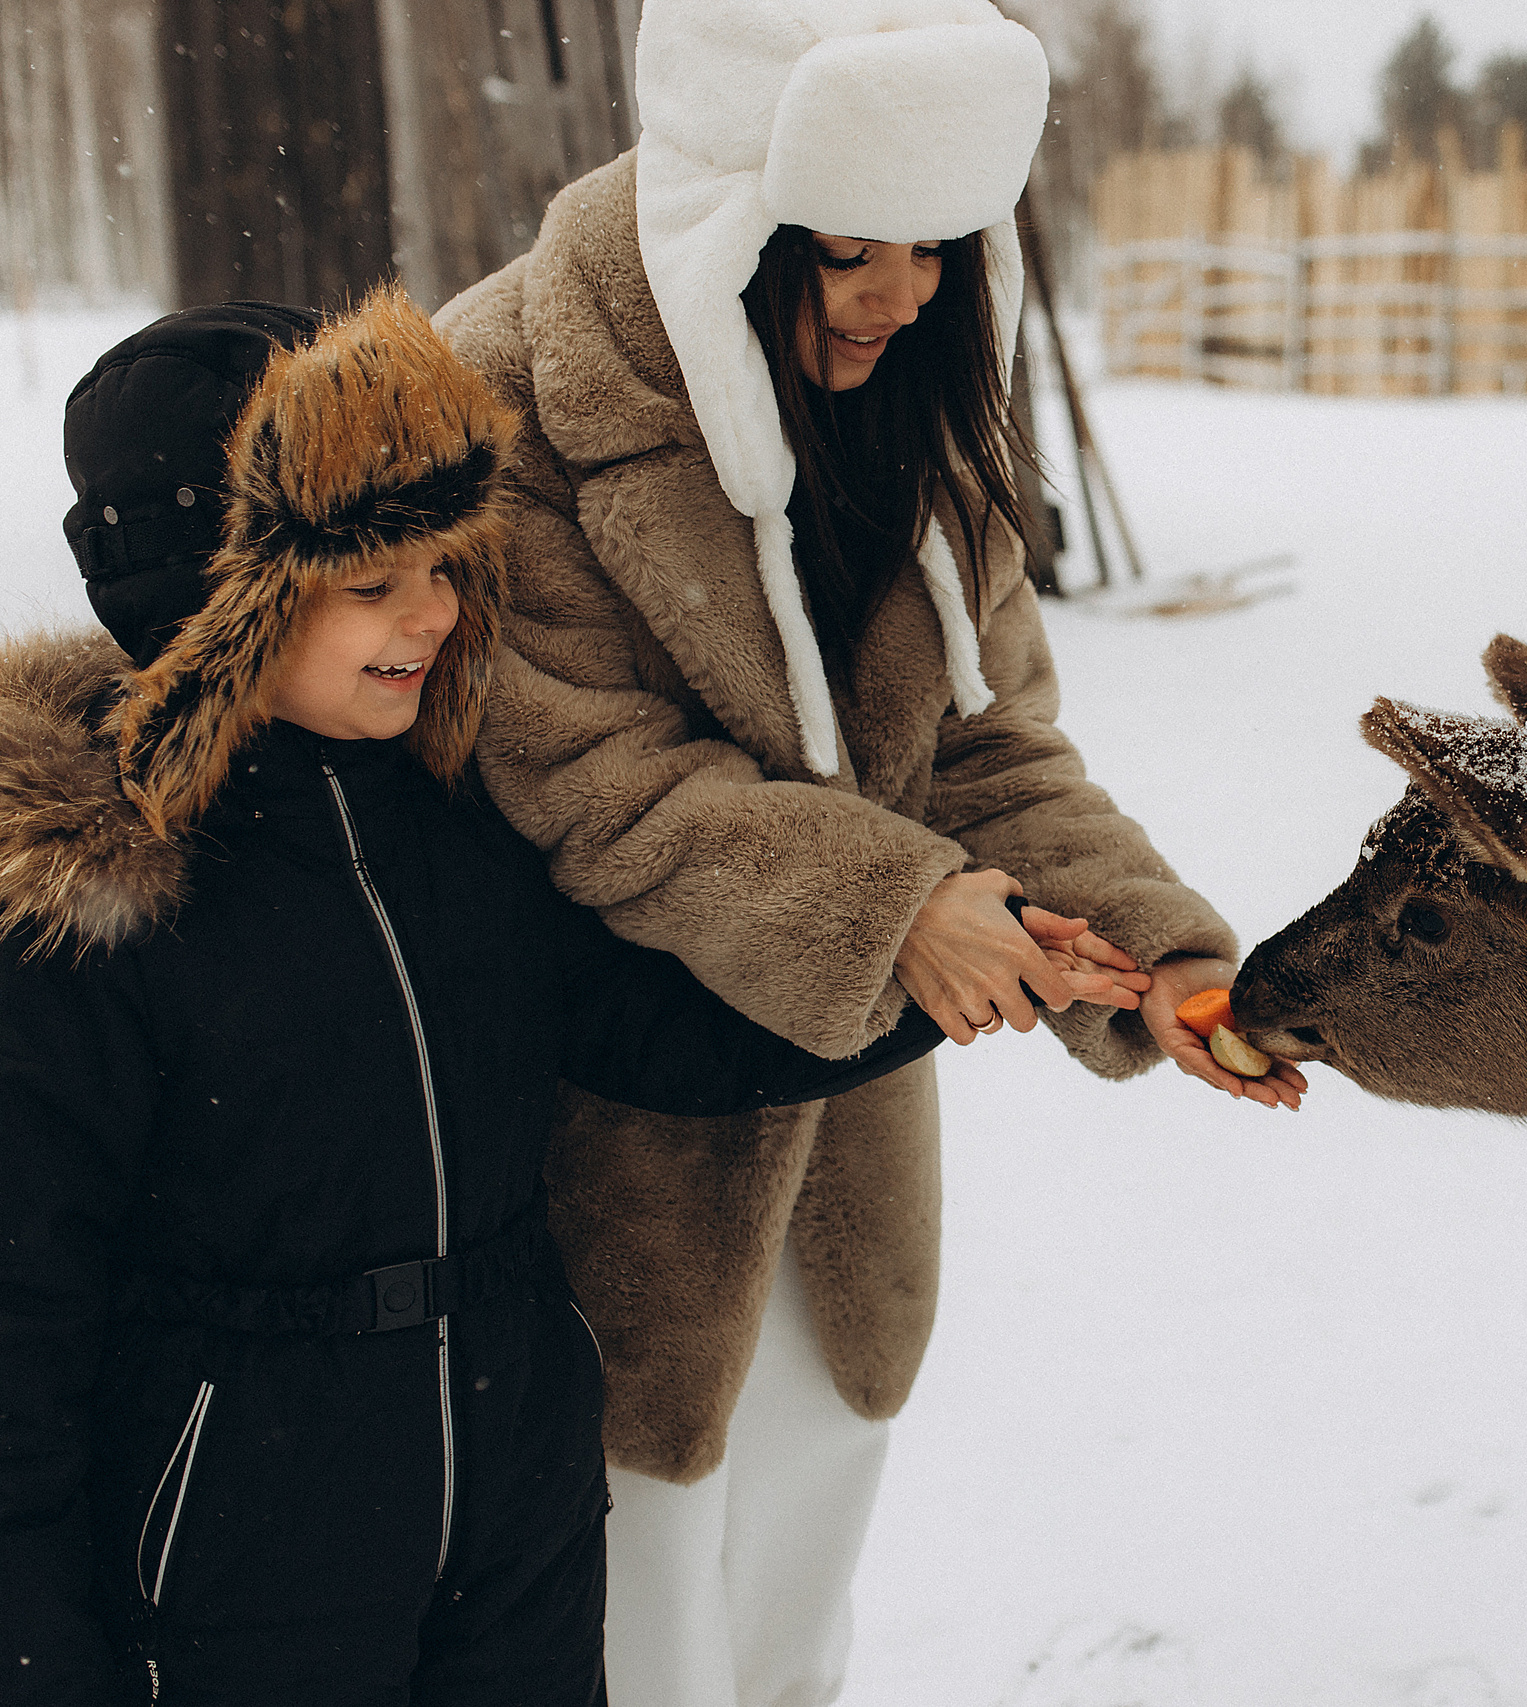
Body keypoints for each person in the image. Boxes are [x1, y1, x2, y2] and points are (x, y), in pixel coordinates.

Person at [432, 0, 1308, 1700]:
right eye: (847, 248)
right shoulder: (508, 401)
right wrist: (892, 907)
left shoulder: (913, 403)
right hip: (614, 1146)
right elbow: (601, 787)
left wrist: (1168, 962)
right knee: (633, 1617)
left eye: (935, 245)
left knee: (794, 1598)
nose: (904, 294)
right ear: (728, 222)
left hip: (841, 1140)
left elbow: (984, 745)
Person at [0, 290, 952, 1703]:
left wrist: (910, 963)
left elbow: (641, 1027)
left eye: (446, 566)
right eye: (370, 581)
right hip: (237, 1567)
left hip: (513, 1527)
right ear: (215, 594)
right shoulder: (88, 903)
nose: (434, 616)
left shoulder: (459, 814)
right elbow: (22, 1323)